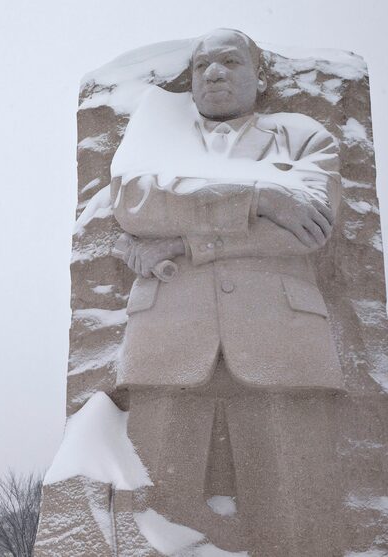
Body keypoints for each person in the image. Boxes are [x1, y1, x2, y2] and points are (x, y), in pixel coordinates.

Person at [111, 28, 346, 555]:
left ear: (258, 77)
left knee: (296, 510)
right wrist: (261, 194)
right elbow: (134, 204)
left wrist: (183, 242)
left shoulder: (304, 136)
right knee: (152, 507)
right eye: (202, 66)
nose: (214, 73)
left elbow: (307, 230)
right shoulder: (156, 130)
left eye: (230, 62)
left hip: (283, 338)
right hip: (167, 336)